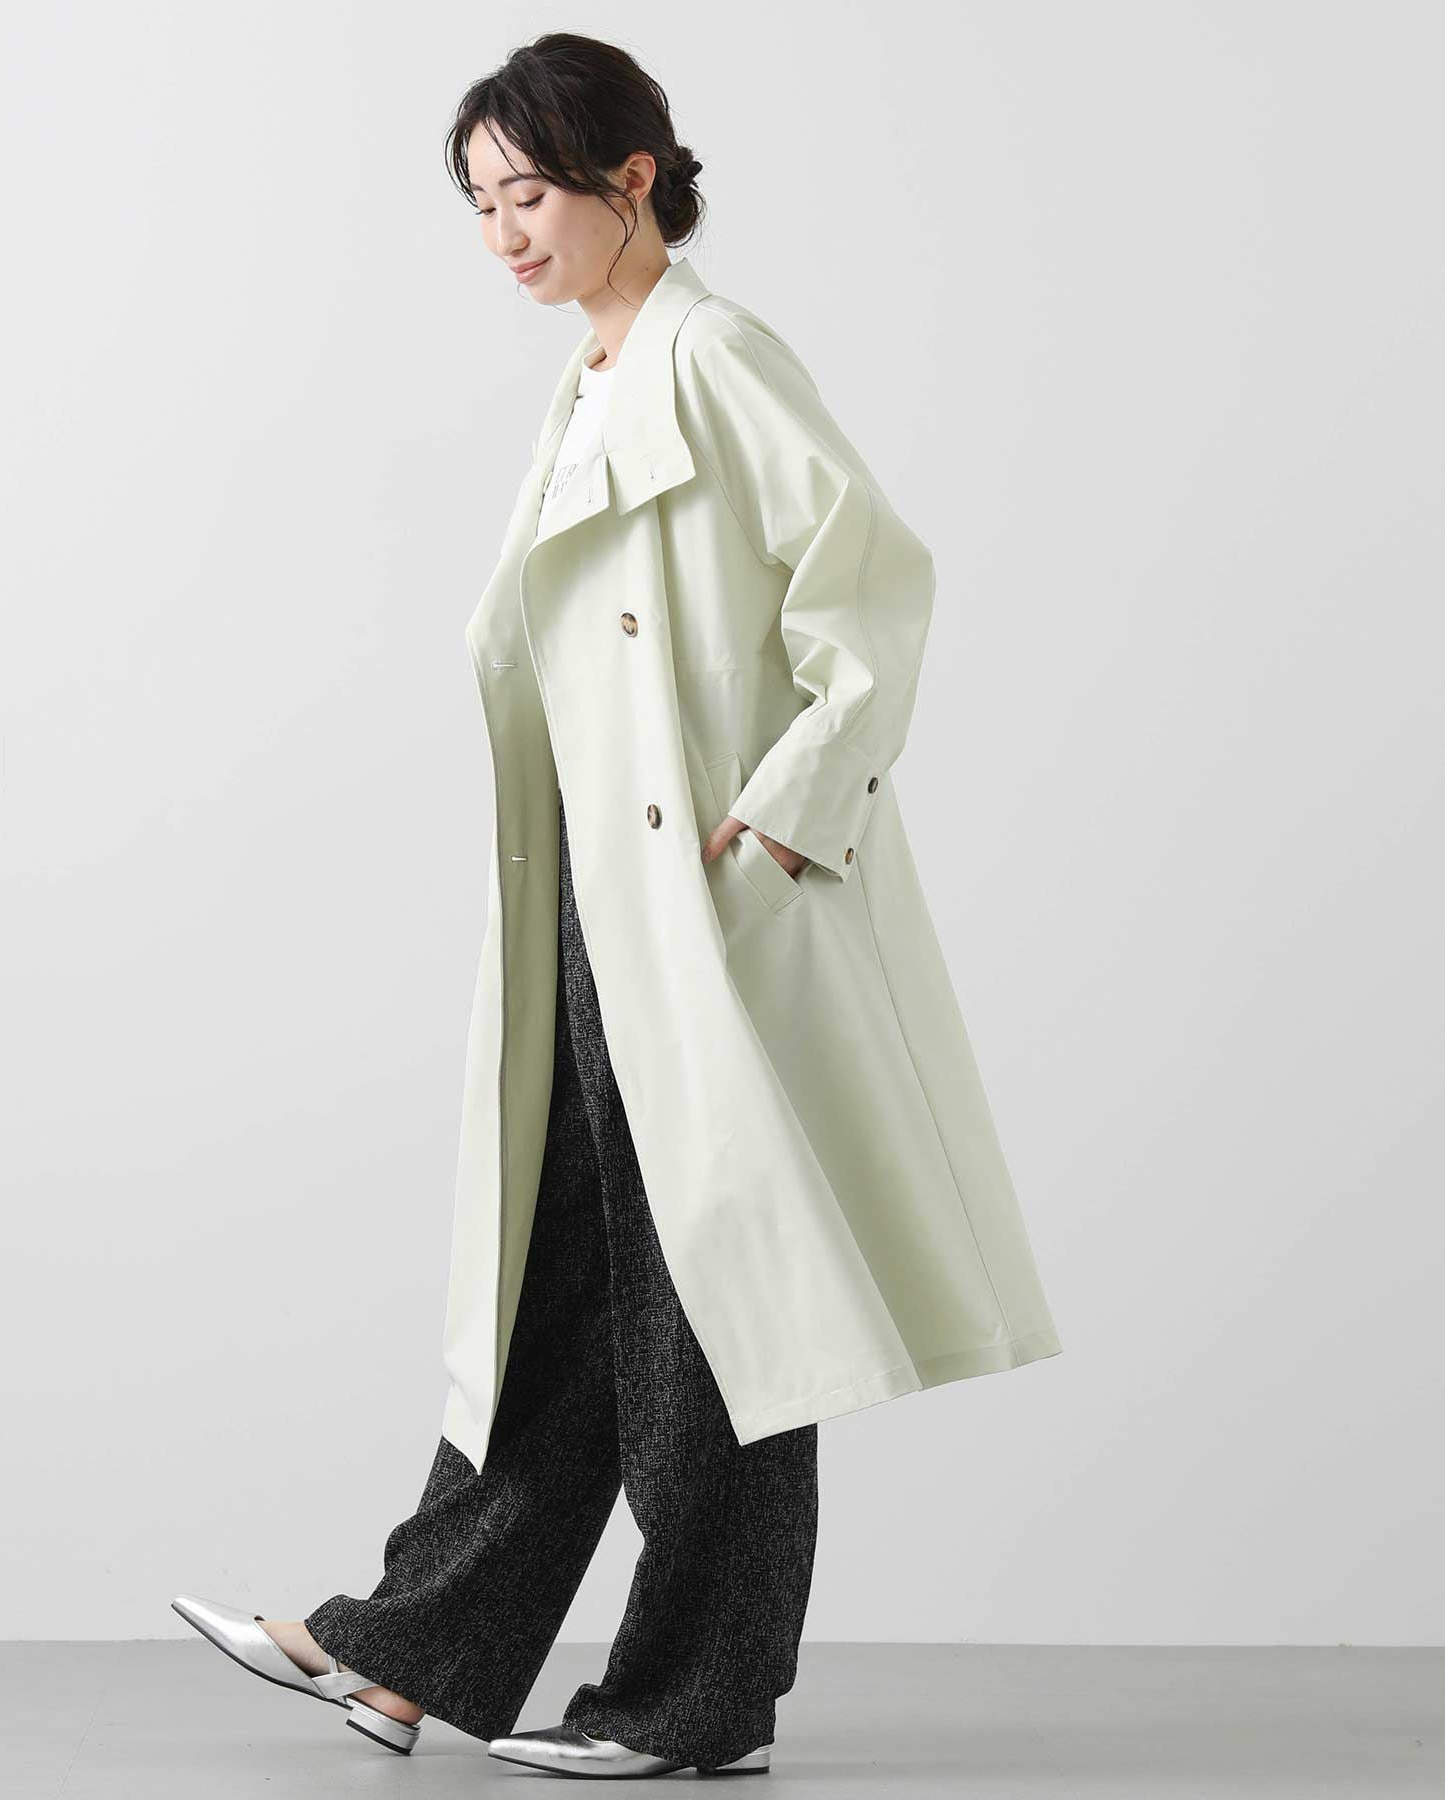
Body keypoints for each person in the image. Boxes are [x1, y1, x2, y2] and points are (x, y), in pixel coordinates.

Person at [172, 28, 1061, 1783]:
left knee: (713, 1301)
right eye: (479, 202)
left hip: (707, 908)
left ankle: (688, 1700)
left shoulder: (713, 357)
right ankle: (412, 1646)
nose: (502, 233)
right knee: (571, 1279)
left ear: (631, 177)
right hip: (606, 897)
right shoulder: (597, 373)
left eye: (528, 194)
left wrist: (788, 819)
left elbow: (875, 586)